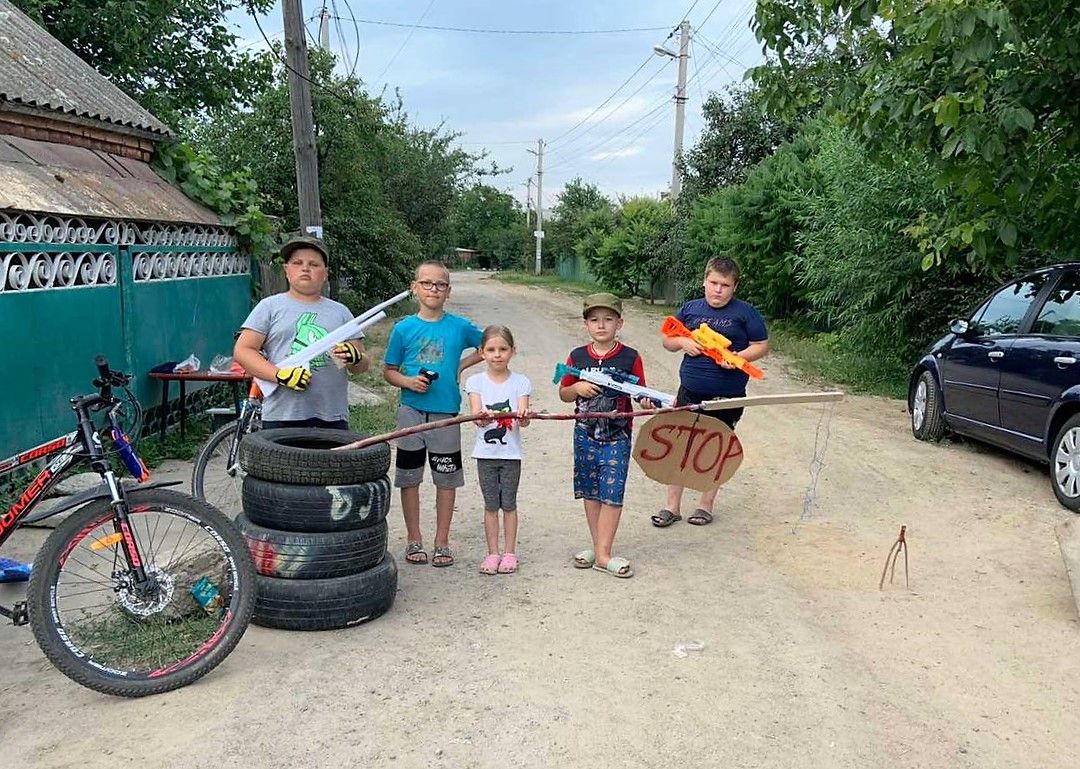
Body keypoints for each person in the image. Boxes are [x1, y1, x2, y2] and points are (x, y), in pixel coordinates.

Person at [652, 256, 768, 528]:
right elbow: (667, 339)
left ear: (734, 287)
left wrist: (739, 357)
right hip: (689, 391)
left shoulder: (746, 313)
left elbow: (761, 345)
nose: (718, 290)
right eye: (713, 283)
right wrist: (682, 341)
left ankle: (705, 506)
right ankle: (672, 507)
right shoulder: (690, 309)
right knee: (679, 446)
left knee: (715, 449)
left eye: (725, 285)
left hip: (728, 396)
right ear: (704, 281)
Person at [383, 261, 484, 568]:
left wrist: (461, 365)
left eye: (440, 285)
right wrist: (408, 381)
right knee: (410, 477)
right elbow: (388, 370)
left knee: (446, 478)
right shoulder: (403, 329)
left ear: (448, 291)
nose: (433, 290)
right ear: (415, 288)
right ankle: (414, 538)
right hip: (410, 411)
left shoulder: (459, 326)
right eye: (426, 284)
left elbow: (490, 343)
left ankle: (442, 541)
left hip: (446, 413)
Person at [558, 292, 651, 579]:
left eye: (608, 320)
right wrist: (577, 389)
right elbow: (563, 393)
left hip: (617, 435)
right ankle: (599, 547)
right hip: (584, 434)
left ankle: (603, 554)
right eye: (594, 320)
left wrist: (647, 402)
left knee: (613, 493)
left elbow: (641, 394)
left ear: (619, 323)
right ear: (586, 324)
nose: (601, 326)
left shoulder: (630, 357)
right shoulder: (577, 356)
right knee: (591, 490)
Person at [233, 235, 368, 430]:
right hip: (282, 414)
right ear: (286, 270)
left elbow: (360, 367)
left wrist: (355, 358)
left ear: (325, 273)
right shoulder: (270, 307)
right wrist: (279, 375)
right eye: (297, 263)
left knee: (330, 462)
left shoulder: (340, 312)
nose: (305, 268)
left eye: (314, 264)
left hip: (331, 415)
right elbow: (243, 351)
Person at [465, 325, 532, 575]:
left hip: (511, 455)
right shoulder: (475, 382)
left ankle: (510, 552)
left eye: (503, 349)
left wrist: (524, 416)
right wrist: (481, 418)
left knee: (510, 504)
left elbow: (523, 420)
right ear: (482, 352)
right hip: (485, 455)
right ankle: (493, 552)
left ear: (512, 351)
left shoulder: (521, 382)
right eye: (491, 349)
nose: (497, 354)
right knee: (491, 504)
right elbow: (476, 415)